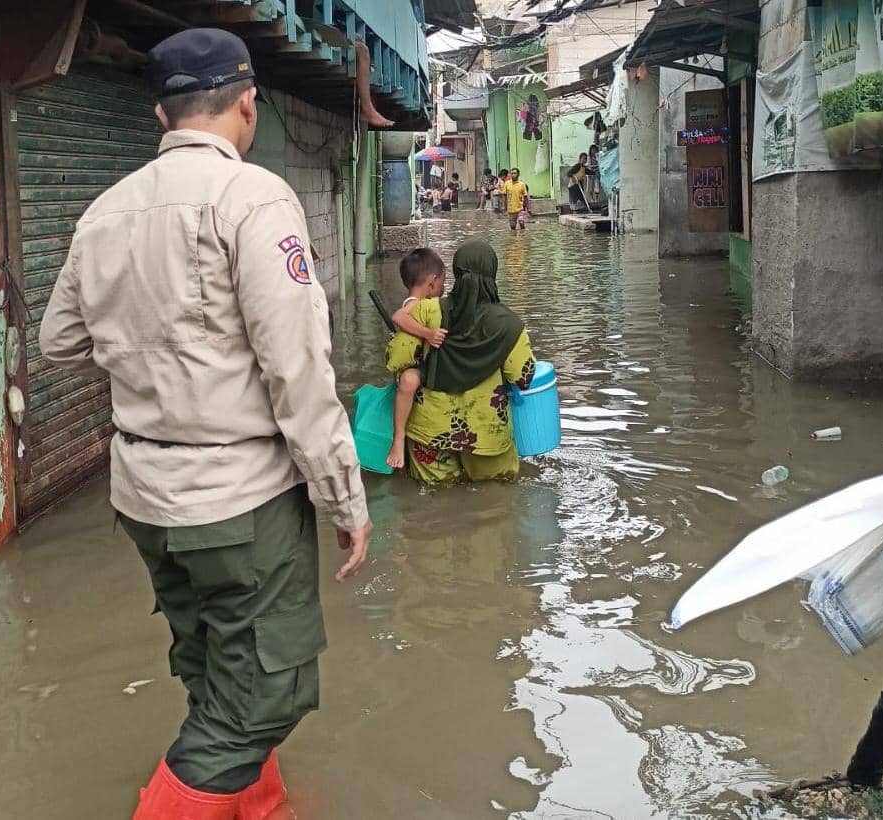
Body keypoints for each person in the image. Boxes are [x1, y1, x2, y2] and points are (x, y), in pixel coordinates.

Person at [39, 28, 371, 820]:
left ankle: (256, 807)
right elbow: (298, 372)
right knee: (267, 696)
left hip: (144, 496)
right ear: (249, 102)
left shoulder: (104, 211)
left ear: (161, 111)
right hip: (239, 499)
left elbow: (58, 340)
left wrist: (150, 345)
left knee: (215, 674)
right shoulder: (253, 198)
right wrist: (346, 503)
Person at [386, 239, 537, 485]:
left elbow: (395, 359)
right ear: (493, 274)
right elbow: (524, 377)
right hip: (486, 434)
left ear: (455, 273)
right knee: (495, 501)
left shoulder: (427, 310)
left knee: (434, 505)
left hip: (429, 431)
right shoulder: (510, 325)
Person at [386, 249, 449, 469]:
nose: (444, 287)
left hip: (423, 362)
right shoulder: (414, 303)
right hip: (412, 368)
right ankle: (398, 438)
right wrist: (428, 334)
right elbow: (398, 317)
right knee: (409, 381)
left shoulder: (426, 303)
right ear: (433, 281)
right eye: (443, 281)